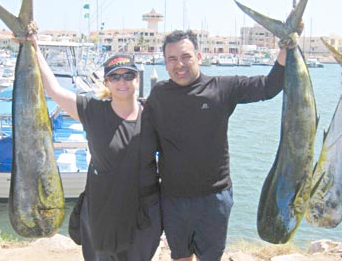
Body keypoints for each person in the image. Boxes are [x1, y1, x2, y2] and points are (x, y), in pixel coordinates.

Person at [144, 30, 287, 261]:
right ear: (165, 62)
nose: (179, 64)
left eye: (186, 56)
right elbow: (140, 133)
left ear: (199, 56)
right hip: (173, 198)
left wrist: (286, 48)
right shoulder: (159, 94)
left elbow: (269, 87)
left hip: (214, 199)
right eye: (171, 59)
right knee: (180, 257)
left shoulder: (222, 88)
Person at [32, 36, 161, 261]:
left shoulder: (153, 114)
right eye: (115, 77)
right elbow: (53, 90)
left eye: (128, 75)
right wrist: (33, 47)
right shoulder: (92, 111)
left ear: (137, 79)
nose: (123, 82)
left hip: (144, 213)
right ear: (106, 83)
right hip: (103, 211)